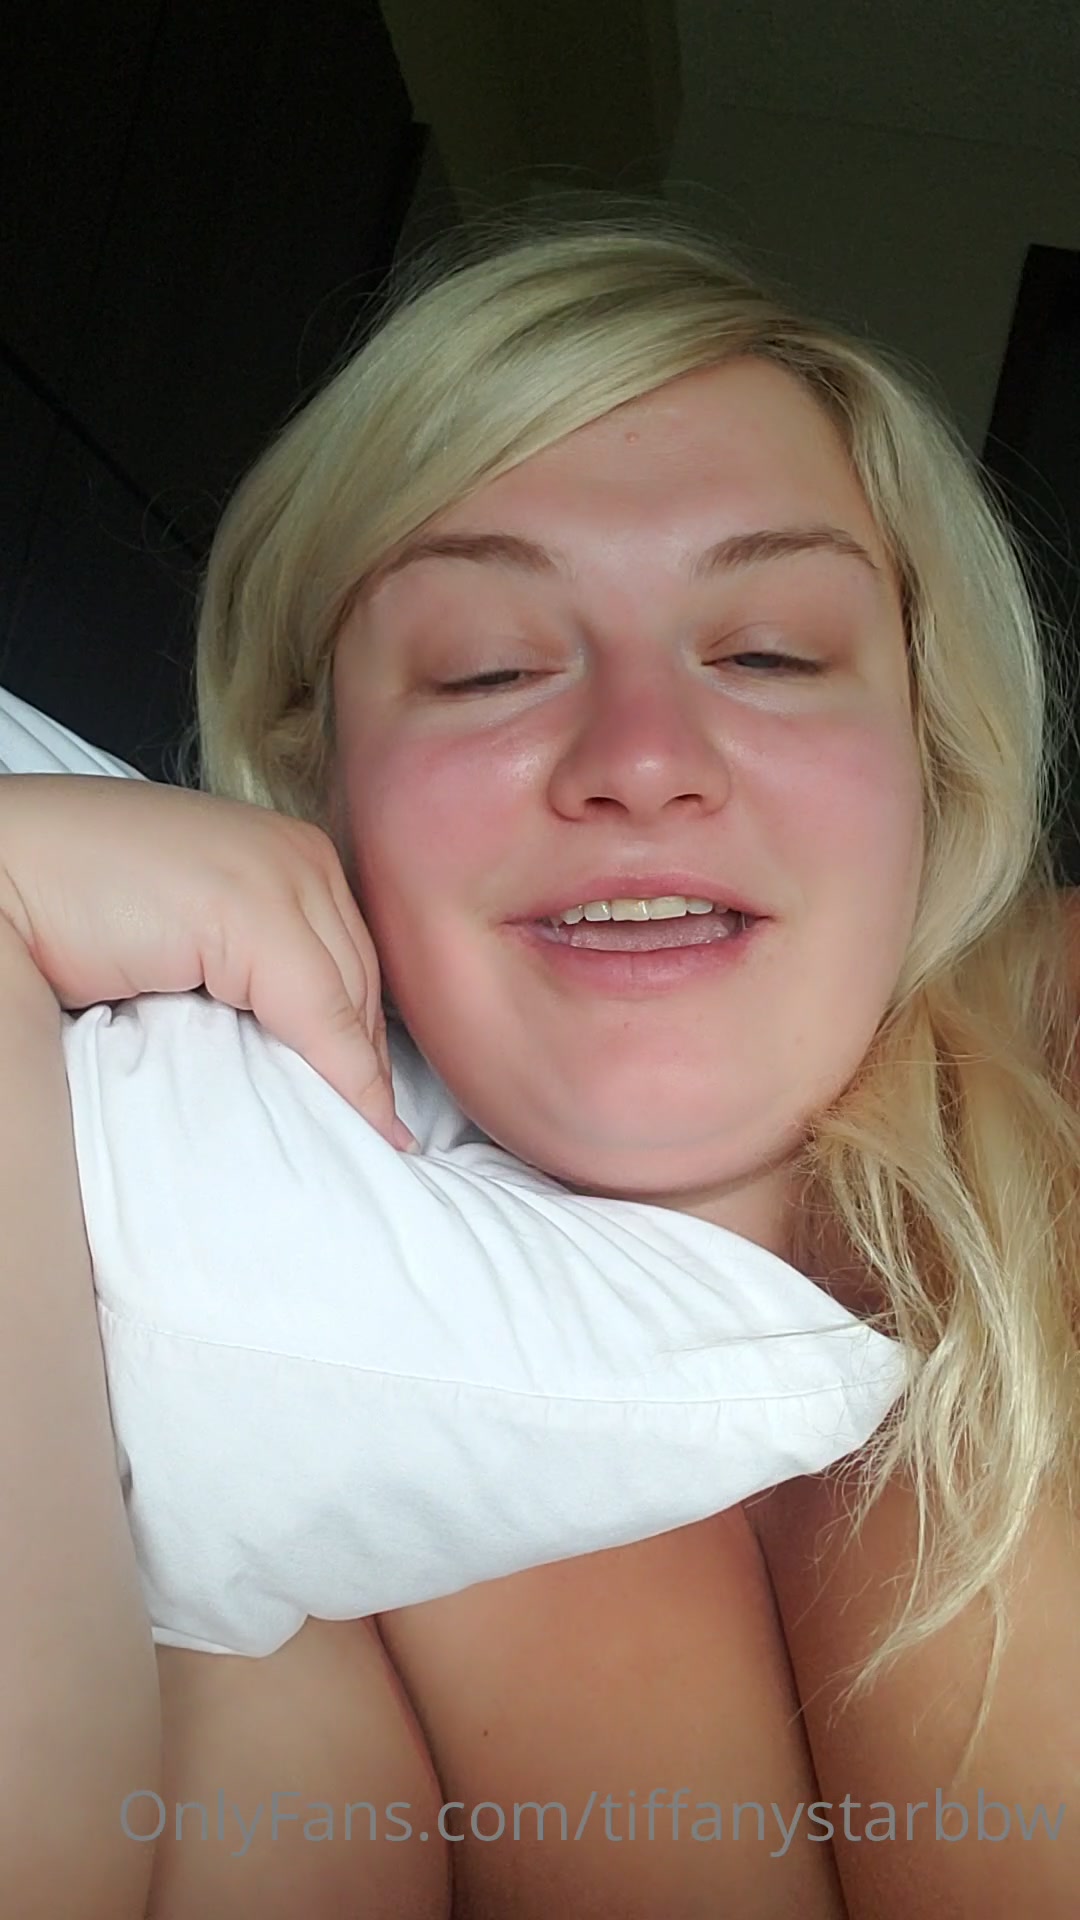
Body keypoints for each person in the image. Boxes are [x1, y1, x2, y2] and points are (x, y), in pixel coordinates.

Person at [3, 203, 1079, 1919]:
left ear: (934, 758)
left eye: (770, 652)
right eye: (486, 668)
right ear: (323, 783)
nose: (641, 758)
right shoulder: (260, 1467)